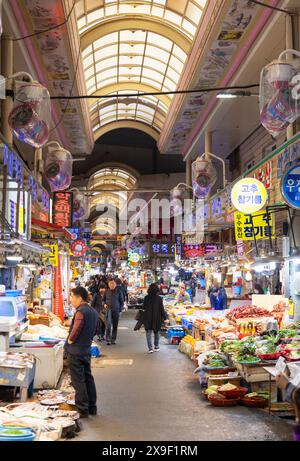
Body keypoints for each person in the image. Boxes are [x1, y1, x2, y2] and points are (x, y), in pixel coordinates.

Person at [65, 286, 99, 418]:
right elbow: (96, 329)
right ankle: (92, 407)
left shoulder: (80, 311)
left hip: (76, 351)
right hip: (86, 349)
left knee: (78, 381)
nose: (71, 299)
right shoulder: (92, 311)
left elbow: (77, 327)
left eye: (72, 297)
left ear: (79, 298)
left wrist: (70, 340)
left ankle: (82, 409)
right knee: (88, 378)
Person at [142, 283, 168, 353]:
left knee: (148, 333)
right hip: (157, 318)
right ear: (157, 289)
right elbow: (162, 309)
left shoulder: (146, 297)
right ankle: (156, 346)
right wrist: (165, 318)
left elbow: (143, 307)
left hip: (148, 317)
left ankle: (150, 349)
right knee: (157, 332)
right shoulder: (159, 298)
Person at [104, 278, 124, 345]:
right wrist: (104, 304)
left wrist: (120, 310)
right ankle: (108, 339)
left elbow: (122, 301)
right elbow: (103, 300)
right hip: (108, 309)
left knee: (115, 325)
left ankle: (113, 339)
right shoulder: (106, 291)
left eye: (113, 283)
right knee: (108, 324)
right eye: (110, 283)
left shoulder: (119, 291)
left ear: (115, 284)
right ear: (108, 284)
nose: (111, 285)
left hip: (116, 310)